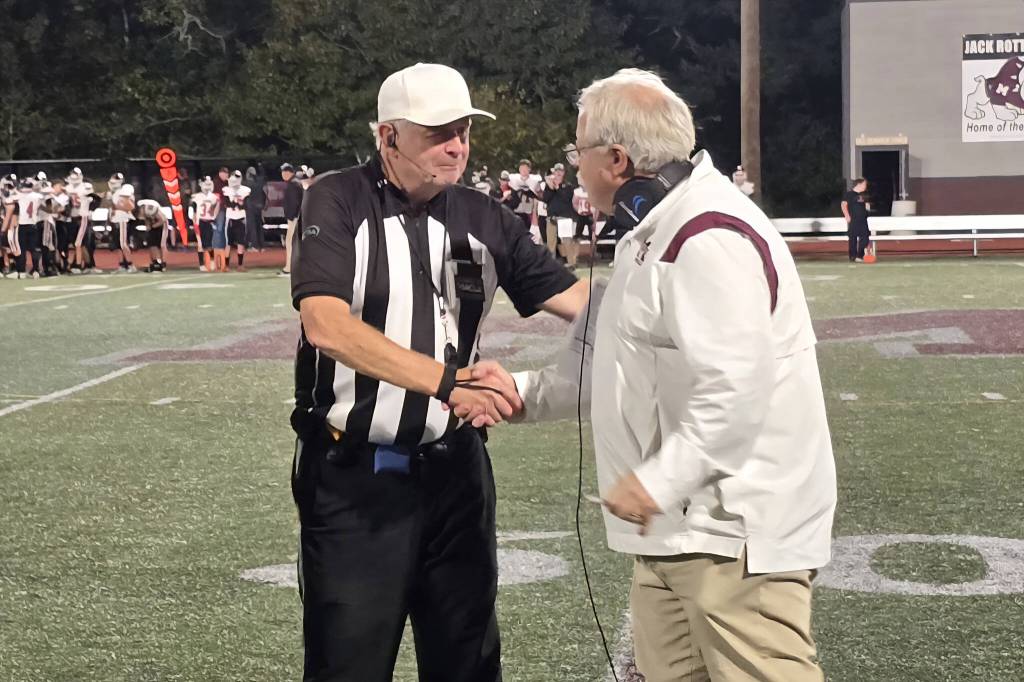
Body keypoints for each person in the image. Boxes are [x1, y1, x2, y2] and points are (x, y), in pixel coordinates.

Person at [506, 68, 837, 682]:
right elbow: (606, 360)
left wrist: (658, 480)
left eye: (577, 152)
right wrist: (521, 394)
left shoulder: (707, 236)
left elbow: (737, 392)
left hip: (733, 534)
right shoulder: (650, 230)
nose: (573, 167)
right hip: (675, 532)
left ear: (616, 158)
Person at [289, 62, 588, 682]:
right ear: (387, 135)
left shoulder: (483, 216)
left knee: (469, 662)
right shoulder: (337, 199)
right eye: (436, 133)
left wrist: (673, 294)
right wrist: (448, 382)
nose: (456, 146)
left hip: (457, 471)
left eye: (463, 131)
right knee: (348, 664)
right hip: (357, 477)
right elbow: (326, 325)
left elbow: (584, 306)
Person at [542, 162, 579, 269]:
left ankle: (572, 263)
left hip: (564, 217)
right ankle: (551, 264)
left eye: (560, 171)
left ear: (563, 173)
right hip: (551, 217)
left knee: (567, 240)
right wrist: (550, 187)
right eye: (556, 171)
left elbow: (566, 198)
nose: (558, 173)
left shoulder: (567, 185)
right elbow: (545, 199)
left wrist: (557, 187)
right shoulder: (549, 186)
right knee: (551, 242)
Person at [223, 170, 251, 271]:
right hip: (230, 217)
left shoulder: (245, 190)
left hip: (241, 217)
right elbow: (226, 203)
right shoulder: (226, 190)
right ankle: (226, 265)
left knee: (241, 242)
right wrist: (235, 204)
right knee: (228, 242)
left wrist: (240, 205)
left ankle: (240, 264)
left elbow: (247, 204)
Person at [279, 162, 303, 277]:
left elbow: (294, 203)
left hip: (294, 218)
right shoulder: (295, 182)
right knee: (293, 243)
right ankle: (291, 267)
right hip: (297, 218)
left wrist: (292, 217)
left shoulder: (293, 184)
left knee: (290, 243)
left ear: (288, 172)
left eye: (284, 172)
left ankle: (289, 268)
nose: (282, 174)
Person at [191, 176, 220, 271]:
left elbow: (216, 208)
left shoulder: (214, 197)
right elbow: (194, 211)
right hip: (199, 222)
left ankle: (211, 261)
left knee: (209, 245)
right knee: (200, 244)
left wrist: (214, 216)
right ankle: (201, 265)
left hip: (209, 221)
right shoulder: (196, 197)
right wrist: (194, 221)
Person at [842, 178, 871, 262]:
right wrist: (847, 216)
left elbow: (866, 206)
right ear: (859, 184)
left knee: (865, 238)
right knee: (853, 238)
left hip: (863, 220)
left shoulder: (864, 195)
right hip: (853, 220)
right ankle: (852, 256)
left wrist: (867, 210)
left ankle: (860, 255)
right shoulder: (849, 194)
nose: (865, 186)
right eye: (864, 184)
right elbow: (843, 205)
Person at [136, 199, 168, 272]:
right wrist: (148, 227)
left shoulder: (150, 209)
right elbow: (146, 220)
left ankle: (163, 264)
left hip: (162, 225)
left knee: (162, 245)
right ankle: (155, 262)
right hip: (154, 224)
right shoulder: (143, 211)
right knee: (151, 244)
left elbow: (163, 220)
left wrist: (152, 226)